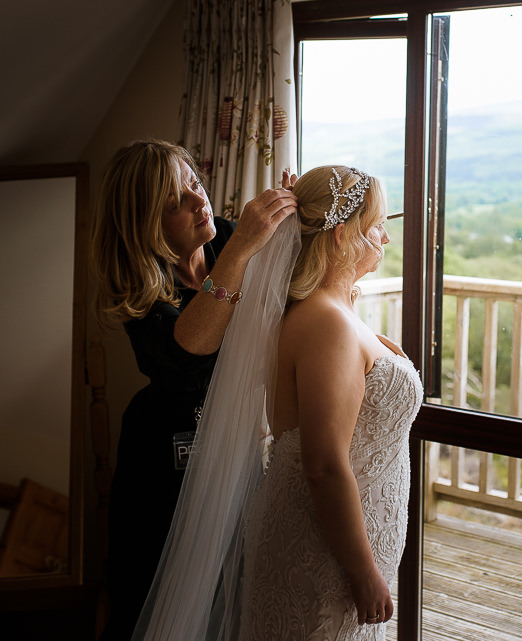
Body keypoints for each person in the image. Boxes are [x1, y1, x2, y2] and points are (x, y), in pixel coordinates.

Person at [131, 165, 422, 641]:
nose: (386, 240)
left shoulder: (332, 311)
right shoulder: (324, 324)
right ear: (341, 236)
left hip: (340, 544)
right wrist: (364, 571)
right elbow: (324, 465)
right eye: (376, 228)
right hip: (324, 555)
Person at [90, 139, 298, 641]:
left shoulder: (226, 236)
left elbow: (297, 300)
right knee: (156, 589)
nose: (198, 201)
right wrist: (245, 249)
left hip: (233, 437)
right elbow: (189, 351)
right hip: (163, 455)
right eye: (174, 202)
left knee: (235, 582)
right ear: (146, 223)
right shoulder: (141, 289)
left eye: (195, 185)